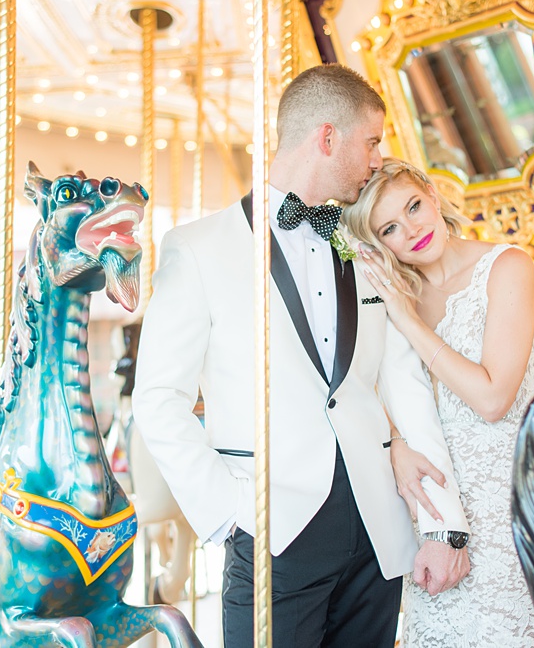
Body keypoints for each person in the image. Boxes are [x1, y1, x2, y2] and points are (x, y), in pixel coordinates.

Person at [132, 65, 471, 647]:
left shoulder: (369, 244)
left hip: (376, 527)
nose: (376, 159)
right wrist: (232, 514)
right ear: (328, 137)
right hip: (271, 528)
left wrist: (446, 525)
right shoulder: (199, 248)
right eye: (371, 142)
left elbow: (403, 383)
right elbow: (158, 401)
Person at [341, 157, 534, 647]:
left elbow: (493, 397)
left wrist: (409, 320)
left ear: (434, 196)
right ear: (378, 243)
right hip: (434, 504)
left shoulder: (506, 267)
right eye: (390, 227)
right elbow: (372, 392)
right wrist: (393, 444)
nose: (411, 230)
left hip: (505, 502)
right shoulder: (394, 293)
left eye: (414, 206)